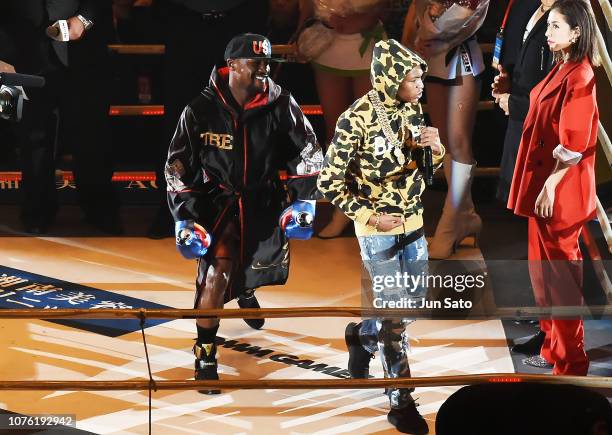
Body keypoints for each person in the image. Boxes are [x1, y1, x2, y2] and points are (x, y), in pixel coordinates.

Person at [165, 33, 323, 393]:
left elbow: (309, 149)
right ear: (232, 65)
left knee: (251, 263)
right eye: (256, 63)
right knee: (215, 274)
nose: (264, 70)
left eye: (268, 63)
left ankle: (246, 288)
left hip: (264, 200)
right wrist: (185, 218)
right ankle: (205, 352)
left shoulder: (281, 102)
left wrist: (303, 200)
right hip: (217, 203)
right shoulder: (199, 109)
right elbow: (177, 165)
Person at [318, 39, 445, 434]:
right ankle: (400, 399)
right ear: (391, 80)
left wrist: (436, 149)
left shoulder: (411, 110)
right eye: (413, 78)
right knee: (394, 316)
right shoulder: (354, 120)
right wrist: (370, 215)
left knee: (412, 305)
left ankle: (360, 336)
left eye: (421, 77)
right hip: (376, 231)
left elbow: (424, 170)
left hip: (415, 221)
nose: (421, 84)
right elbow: (328, 181)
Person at [508, 0, 600, 375]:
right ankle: (551, 349)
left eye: (555, 27)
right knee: (543, 275)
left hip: (558, 192)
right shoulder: (562, 66)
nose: (547, 34)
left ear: (576, 32)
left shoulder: (580, 76)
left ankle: (570, 362)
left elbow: (574, 143)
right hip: (542, 185)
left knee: (561, 280)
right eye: (548, 27)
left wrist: (550, 186)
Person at [148, 0, 270, 240]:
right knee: (180, 119)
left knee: (244, 117)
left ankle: (246, 209)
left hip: (239, 22)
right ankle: (175, 208)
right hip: (184, 23)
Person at [1, 0, 120, 235]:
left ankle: (99, 208)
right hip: (21, 54)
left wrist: (84, 19)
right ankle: (37, 211)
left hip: (86, 54)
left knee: (92, 136)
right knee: (32, 141)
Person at [491, 0, 555, 357]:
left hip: (547, 152)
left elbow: (555, 101)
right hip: (526, 134)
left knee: (554, 256)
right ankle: (548, 330)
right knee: (537, 249)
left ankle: (561, 346)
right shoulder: (530, 7)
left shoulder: (570, 22)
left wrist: (512, 102)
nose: (554, 34)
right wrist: (509, 85)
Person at [402, 0, 489, 259]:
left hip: (462, 56)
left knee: (459, 140)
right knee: (444, 142)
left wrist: (441, 33)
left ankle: (450, 223)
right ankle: (466, 215)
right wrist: (412, 41)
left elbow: (470, 13)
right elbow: (416, 7)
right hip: (432, 56)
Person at [297, 0, 387, 239]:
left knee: (369, 132)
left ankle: (372, 206)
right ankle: (343, 207)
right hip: (328, 43)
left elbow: (384, 6)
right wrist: (302, 30)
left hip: (367, 43)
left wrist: (355, 19)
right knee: (336, 131)